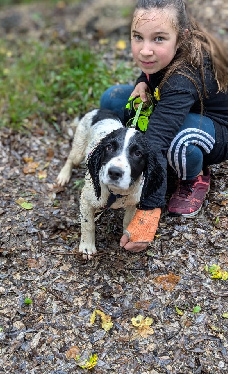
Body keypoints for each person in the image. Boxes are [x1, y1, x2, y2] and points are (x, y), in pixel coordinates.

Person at [100, 0, 228, 253]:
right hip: (182, 106)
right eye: (138, 37)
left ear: (181, 39)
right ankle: (134, 158)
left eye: (158, 39)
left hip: (215, 129)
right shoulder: (164, 52)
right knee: (113, 98)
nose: (145, 50)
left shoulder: (184, 77)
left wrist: (147, 212)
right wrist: (142, 83)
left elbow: (155, 143)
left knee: (177, 139)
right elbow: (153, 69)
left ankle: (194, 176)